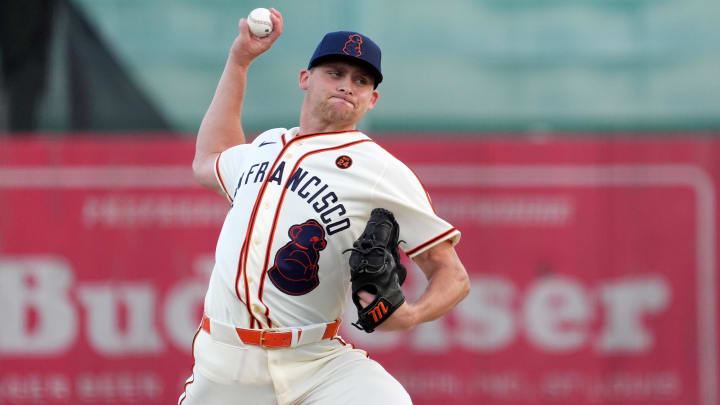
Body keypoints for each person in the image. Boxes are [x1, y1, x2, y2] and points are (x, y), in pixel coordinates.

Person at [179, 8, 470, 405]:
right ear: (305, 78)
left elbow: (451, 274)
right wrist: (240, 60)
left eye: (361, 80)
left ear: (373, 99)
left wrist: (412, 315)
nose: (347, 85)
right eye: (335, 73)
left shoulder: (381, 170)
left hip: (315, 361)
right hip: (225, 362)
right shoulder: (265, 147)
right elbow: (209, 159)